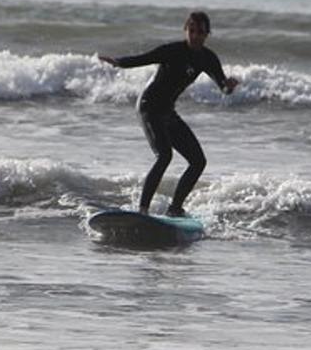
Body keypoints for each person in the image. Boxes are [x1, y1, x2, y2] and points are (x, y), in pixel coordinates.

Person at [98, 11, 239, 216]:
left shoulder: (208, 58)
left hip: (167, 111)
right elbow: (143, 59)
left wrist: (229, 87)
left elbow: (223, 88)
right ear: (185, 30)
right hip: (149, 106)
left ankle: (174, 209)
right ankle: (143, 210)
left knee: (198, 162)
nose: (195, 35)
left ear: (207, 34)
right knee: (164, 155)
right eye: (191, 30)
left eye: (200, 32)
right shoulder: (172, 50)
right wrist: (117, 62)